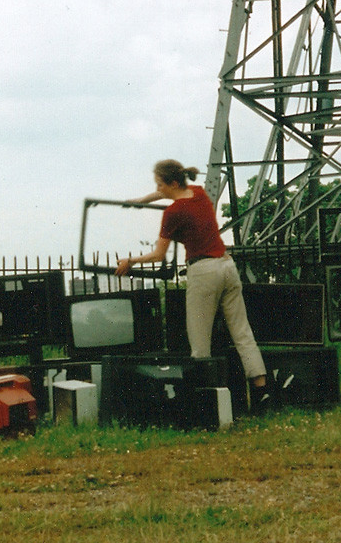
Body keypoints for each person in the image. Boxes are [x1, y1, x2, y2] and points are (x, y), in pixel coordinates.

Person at [115, 159, 270, 410]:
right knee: (242, 333)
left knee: (199, 340)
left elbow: (158, 255)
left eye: (159, 184)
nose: (158, 189)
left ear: (173, 183)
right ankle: (262, 392)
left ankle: (208, 401)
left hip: (204, 272)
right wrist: (143, 200)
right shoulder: (198, 193)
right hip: (227, 266)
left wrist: (131, 261)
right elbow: (164, 194)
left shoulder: (173, 213)